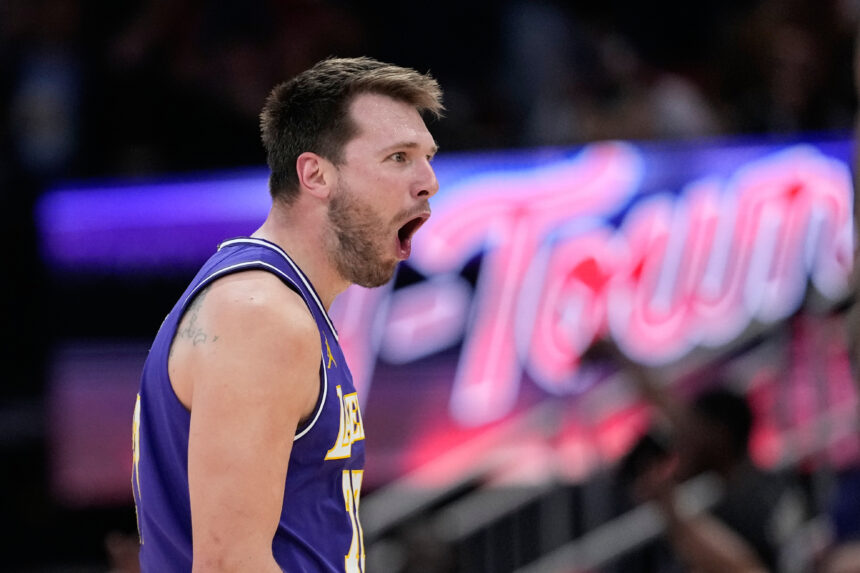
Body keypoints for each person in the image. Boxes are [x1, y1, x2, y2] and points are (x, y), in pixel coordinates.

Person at [130, 56, 443, 572]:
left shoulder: (278, 303)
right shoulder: (260, 316)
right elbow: (231, 566)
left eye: (427, 157)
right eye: (398, 157)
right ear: (315, 174)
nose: (428, 181)